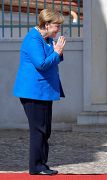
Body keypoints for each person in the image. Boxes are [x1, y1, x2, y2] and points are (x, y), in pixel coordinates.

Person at [13, 9, 66, 175]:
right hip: (33, 92)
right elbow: (41, 64)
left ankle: (42, 164)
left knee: (45, 129)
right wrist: (57, 51)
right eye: (56, 25)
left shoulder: (47, 39)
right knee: (39, 130)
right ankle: (36, 167)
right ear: (46, 24)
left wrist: (57, 51)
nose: (58, 29)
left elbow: (53, 58)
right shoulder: (33, 40)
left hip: (43, 91)